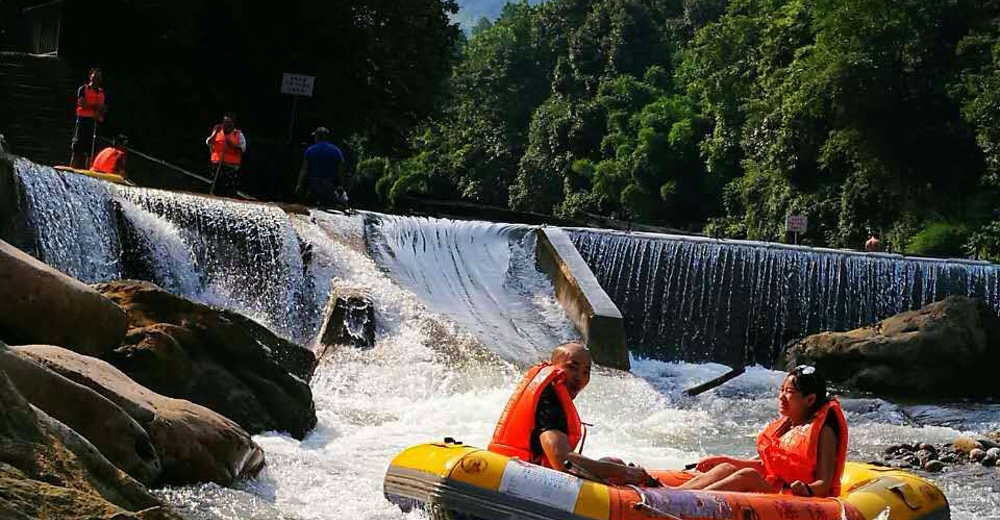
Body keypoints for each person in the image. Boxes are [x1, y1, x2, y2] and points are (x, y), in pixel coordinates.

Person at [488, 342, 653, 486]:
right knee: (616, 467)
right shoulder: (549, 401)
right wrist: (625, 473)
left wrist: (613, 468)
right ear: (554, 366)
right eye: (572, 368)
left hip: (518, 468)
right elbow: (562, 461)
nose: (579, 377)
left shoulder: (550, 391)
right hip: (517, 479)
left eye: (585, 372)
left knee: (614, 463)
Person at [679, 365, 848, 497]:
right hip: (777, 491)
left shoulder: (825, 432)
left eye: (789, 392)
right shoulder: (787, 425)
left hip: (800, 500)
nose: (781, 397)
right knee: (726, 467)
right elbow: (768, 467)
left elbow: (824, 483)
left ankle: (685, 502)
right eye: (781, 390)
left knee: (748, 476)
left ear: (810, 399)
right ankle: (668, 494)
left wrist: (807, 489)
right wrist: (725, 459)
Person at [296, 127, 347, 207]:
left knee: (308, 208)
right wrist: (342, 187)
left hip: (313, 187)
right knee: (331, 208)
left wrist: (299, 185)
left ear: (317, 137)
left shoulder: (310, 150)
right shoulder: (336, 151)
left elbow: (304, 169)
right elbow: (341, 171)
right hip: (329, 187)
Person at [70, 68, 107, 168]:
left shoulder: (101, 93)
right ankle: (71, 169)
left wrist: (100, 110)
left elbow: (103, 108)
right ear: (90, 76)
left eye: (99, 77)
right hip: (83, 121)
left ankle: (88, 171)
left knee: (91, 151)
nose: (97, 79)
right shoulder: (83, 89)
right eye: (95, 76)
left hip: (95, 122)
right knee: (77, 148)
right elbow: (83, 104)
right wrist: (95, 107)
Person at [206, 112, 246, 197]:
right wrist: (215, 132)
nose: (227, 125)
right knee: (216, 191)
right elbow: (209, 142)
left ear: (233, 123)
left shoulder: (238, 134)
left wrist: (231, 144)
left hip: (231, 168)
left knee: (229, 192)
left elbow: (242, 150)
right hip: (217, 167)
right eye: (225, 122)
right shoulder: (217, 132)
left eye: (229, 122)